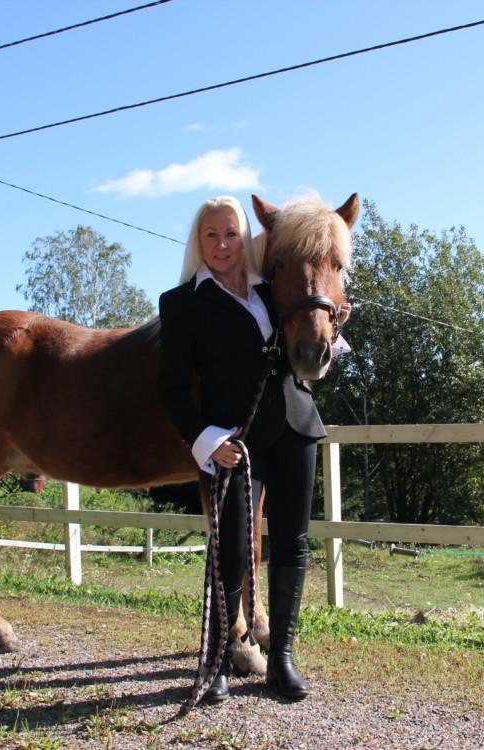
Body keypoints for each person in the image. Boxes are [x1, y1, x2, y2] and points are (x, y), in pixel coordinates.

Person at [157, 195, 326, 703]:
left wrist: (333, 322)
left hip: (296, 427)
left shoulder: (272, 288)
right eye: (212, 235)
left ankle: (283, 660)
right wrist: (209, 442)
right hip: (236, 442)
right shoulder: (181, 303)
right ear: (198, 242)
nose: (223, 244)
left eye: (232, 234)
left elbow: (307, 343)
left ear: (244, 239)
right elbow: (171, 390)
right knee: (230, 547)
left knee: (292, 543)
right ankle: (215, 661)